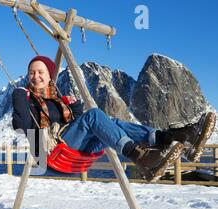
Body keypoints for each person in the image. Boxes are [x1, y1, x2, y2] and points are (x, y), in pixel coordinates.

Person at [12, 56, 216, 182]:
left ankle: (177, 139)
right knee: (94, 115)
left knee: (111, 122)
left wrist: (73, 105)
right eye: (32, 72)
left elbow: (77, 123)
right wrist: (19, 96)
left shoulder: (59, 99)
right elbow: (21, 127)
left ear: (50, 76)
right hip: (53, 152)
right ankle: (139, 156)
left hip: (74, 147)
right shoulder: (26, 99)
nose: (36, 76)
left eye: (41, 72)